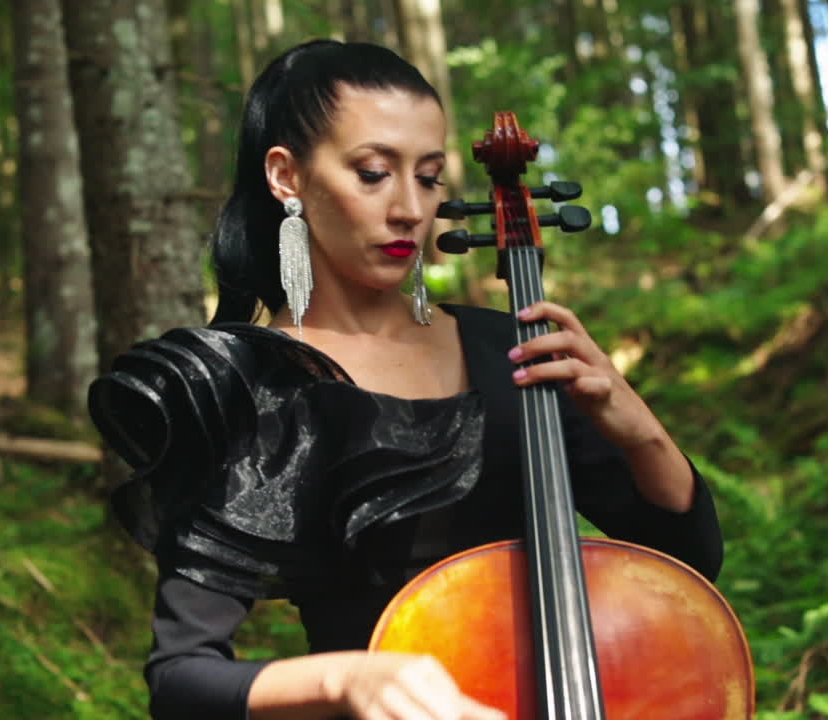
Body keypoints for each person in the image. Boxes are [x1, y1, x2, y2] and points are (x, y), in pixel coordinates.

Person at [88, 39, 723, 720]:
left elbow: (687, 562)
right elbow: (181, 682)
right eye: (372, 172)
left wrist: (641, 431)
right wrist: (349, 680)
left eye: (427, 177)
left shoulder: (510, 349)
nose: (409, 210)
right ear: (286, 176)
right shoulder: (256, 389)